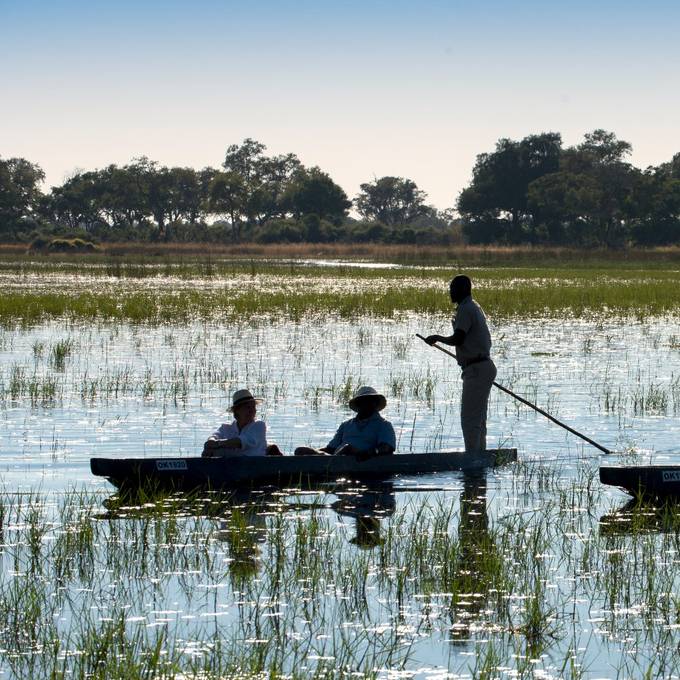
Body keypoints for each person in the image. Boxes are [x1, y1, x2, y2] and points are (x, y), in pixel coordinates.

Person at [424, 275, 496, 453]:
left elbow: (459, 338)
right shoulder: (471, 306)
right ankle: (478, 456)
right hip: (480, 367)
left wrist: (437, 338)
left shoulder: (466, 309)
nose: (450, 292)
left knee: (470, 420)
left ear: (463, 289)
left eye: (453, 289)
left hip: (477, 369)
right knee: (478, 419)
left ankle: (473, 459)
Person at [294, 386, 396, 458]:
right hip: (337, 456)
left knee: (347, 448)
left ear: (375, 403)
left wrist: (367, 454)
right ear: (358, 404)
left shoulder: (384, 425)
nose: (368, 404)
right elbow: (331, 449)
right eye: (364, 401)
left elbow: (386, 448)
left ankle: (328, 464)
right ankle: (325, 462)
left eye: (371, 401)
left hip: (361, 458)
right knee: (300, 450)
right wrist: (315, 452)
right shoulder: (346, 425)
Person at [203, 388, 282, 457]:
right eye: (247, 407)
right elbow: (214, 437)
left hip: (255, 466)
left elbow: (241, 442)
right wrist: (211, 442)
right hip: (232, 468)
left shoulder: (259, 426)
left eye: (253, 407)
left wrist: (218, 444)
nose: (252, 410)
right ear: (237, 410)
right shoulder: (226, 428)